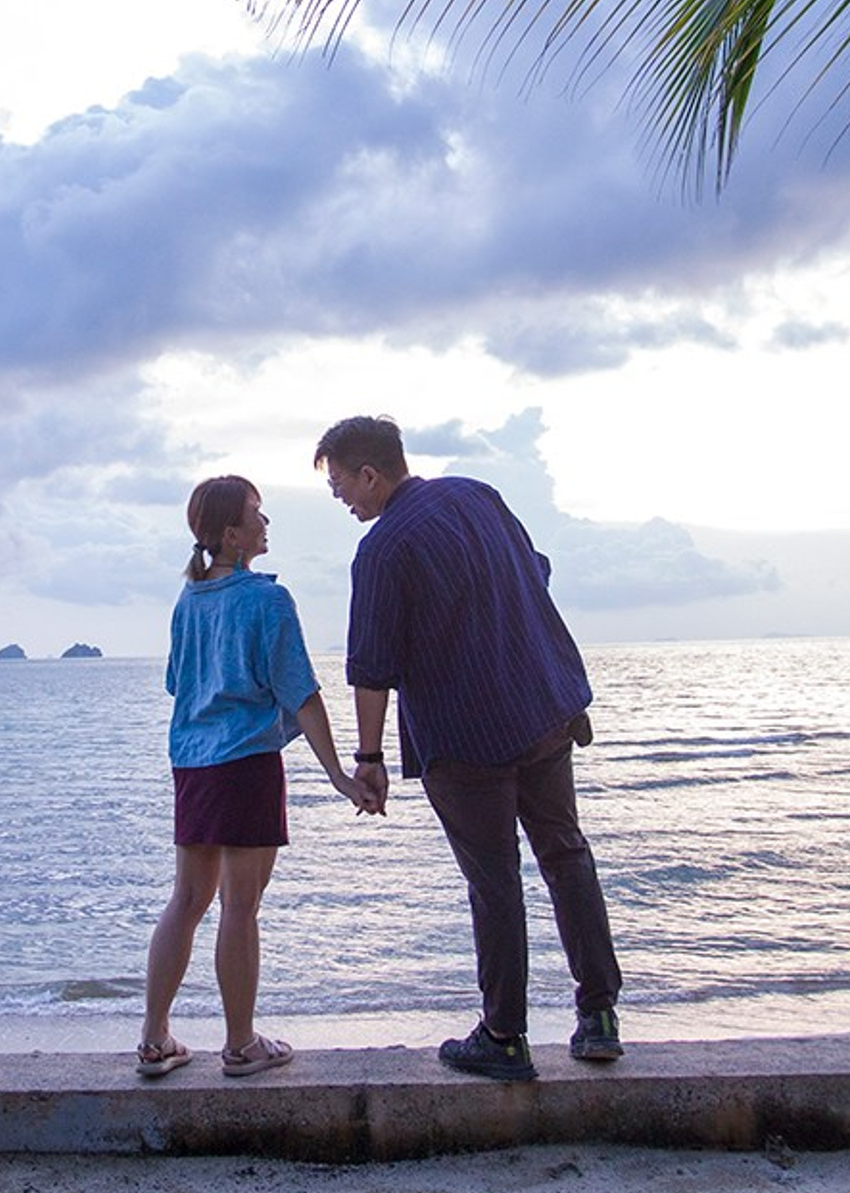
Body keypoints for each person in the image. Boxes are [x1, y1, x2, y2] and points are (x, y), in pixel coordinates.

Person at [314, 415, 623, 1081]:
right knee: (566, 855)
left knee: (495, 883)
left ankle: (505, 1036)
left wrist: (367, 762)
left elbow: (372, 669)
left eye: (341, 486)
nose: (343, 500)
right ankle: (598, 1016)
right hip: (543, 705)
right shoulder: (477, 495)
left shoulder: (383, 550)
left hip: (465, 736)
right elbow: (535, 572)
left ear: (370, 473)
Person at [138, 474, 368, 1081]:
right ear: (233, 534)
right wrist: (341, 775)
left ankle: (155, 1038)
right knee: (240, 906)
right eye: (258, 515)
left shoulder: (188, 602)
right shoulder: (267, 601)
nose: (267, 525)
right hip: (244, 764)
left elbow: (174, 683)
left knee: (186, 900)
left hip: (191, 762)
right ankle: (241, 1045)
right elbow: (303, 694)